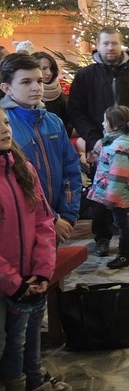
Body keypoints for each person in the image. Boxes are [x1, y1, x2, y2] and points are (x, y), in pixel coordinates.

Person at [0, 53, 80, 391]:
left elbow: (70, 170)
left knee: (35, 313)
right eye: (27, 82)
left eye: (39, 80)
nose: (37, 87)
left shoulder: (53, 122)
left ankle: (33, 374)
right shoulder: (8, 122)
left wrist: (67, 215)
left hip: (44, 230)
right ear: (6, 88)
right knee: (14, 326)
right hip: (15, 244)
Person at [68, 26, 129, 256]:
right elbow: (76, 111)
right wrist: (94, 138)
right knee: (101, 194)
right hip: (101, 148)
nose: (111, 47)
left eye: (115, 43)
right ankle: (102, 237)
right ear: (97, 46)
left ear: (121, 45)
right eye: (106, 43)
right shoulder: (85, 76)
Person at [0, 106, 56, 391]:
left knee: (26, 335)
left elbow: (44, 221)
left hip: (28, 277)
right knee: (4, 343)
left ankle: (32, 381)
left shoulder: (23, 168)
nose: (4, 129)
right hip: (7, 280)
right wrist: (13, 282)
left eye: (6, 122)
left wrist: (42, 271)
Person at [87, 105, 129, 269]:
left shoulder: (120, 148)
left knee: (122, 224)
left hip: (117, 195)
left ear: (116, 124)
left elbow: (119, 177)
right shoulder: (119, 140)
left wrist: (111, 199)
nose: (103, 124)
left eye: (106, 121)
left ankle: (124, 255)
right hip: (119, 193)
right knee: (123, 222)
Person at [32, 51, 72, 137]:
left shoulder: (59, 93)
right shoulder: (30, 94)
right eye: (44, 68)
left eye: (51, 69)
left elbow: (68, 121)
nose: (49, 73)